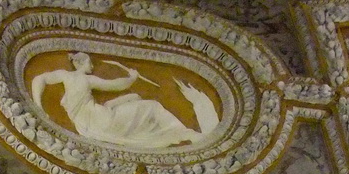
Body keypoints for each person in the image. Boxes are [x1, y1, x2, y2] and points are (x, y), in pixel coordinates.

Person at [30, 52, 217, 149]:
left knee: (137, 100)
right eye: (89, 63)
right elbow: (117, 86)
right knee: (152, 106)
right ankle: (185, 134)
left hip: (94, 121)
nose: (93, 66)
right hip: (101, 121)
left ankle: (184, 134)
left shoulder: (66, 76)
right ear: (79, 63)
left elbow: (40, 79)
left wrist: (38, 105)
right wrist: (132, 78)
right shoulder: (83, 78)